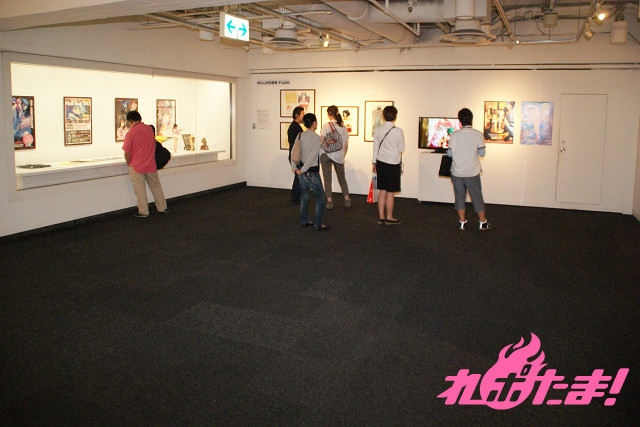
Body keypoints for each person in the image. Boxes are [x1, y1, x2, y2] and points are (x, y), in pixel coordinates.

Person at [447, 108, 491, 230]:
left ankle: (462, 222)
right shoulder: (478, 134)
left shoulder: (454, 135)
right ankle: (482, 222)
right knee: (477, 197)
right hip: (472, 172)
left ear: (460, 120)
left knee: (459, 197)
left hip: (457, 172)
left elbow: (449, 154)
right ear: (471, 119)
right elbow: (482, 153)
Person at [122, 110, 168, 217]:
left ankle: (143, 211)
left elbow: (127, 153)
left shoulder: (130, 133)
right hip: (151, 164)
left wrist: (129, 164)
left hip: (137, 166)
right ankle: (162, 207)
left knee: (140, 189)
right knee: (156, 186)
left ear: (130, 121)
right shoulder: (149, 129)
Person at [290, 113, 329, 231]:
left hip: (301, 172)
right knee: (320, 198)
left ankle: (305, 221)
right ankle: (318, 224)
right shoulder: (317, 138)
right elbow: (312, 157)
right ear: (314, 123)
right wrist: (303, 169)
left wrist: (296, 168)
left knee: (304, 197)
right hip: (311, 172)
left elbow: (293, 152)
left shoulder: (300, 135)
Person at [372, 106, 404, 225]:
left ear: (383, 116)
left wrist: (374, 162)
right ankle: (389, 217)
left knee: (382, 190)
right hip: (393, 163)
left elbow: (375, 148)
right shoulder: (398, 131)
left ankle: (381, 217)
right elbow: (401, 148)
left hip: (380, 162)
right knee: (390, 192)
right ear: (395, 116)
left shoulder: (378, 130)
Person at [320, 105, 351, 209]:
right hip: (339, 156)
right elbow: (346, 144)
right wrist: (342, 155)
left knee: (327, 179)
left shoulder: (326, 125)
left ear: (329, 114)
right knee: (342, 178)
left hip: (326, 155)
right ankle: (347, 199)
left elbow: (322, 141)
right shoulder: (343, 127)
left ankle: (329, 201)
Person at [287, 106, 304, 203]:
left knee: (298, 177)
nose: (303, 117)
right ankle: (295, 198)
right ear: (297, 115)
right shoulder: (295, 128)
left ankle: (297, 197)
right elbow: (296, 144)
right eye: (302, 115)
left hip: (294, 155)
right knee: (299, 177)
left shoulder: (294, 126)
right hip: (296, 156)